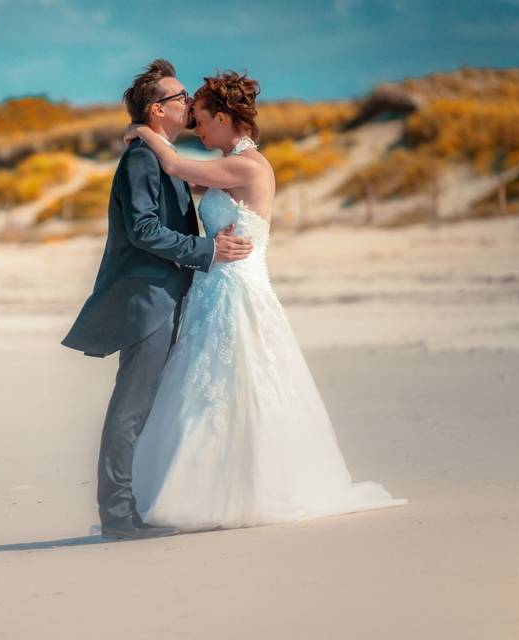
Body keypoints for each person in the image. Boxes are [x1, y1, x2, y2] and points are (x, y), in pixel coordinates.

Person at [124, 69, 408, 532]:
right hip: (214, 289)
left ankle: (248, 488)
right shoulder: (227, 166)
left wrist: (142, 132)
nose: (196, 127)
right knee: (207, 390)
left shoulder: (248, 166)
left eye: (200, 119)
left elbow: (176, 167)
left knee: (244, 384)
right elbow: (182, 180)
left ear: (222, 117)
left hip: (238, 290)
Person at [61, 59, 253, 540]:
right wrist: (206, 250)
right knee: (131, 409)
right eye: (180, 96)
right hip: (147, 299)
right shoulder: (142, 159)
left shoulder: (158, 152)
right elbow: (144, 230)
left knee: (148, 407)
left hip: (171, 295)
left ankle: (139, 506)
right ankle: (118, 517)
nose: (188, 103)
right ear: (157, 110)